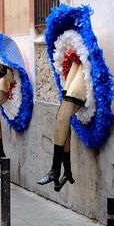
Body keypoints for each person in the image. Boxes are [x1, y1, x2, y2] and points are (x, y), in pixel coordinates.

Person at [37, 59, 86, 191]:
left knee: (63, 117)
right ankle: (67, 171)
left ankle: (55, 169)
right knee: (60, 117)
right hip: (78, 59)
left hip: (88, 56)